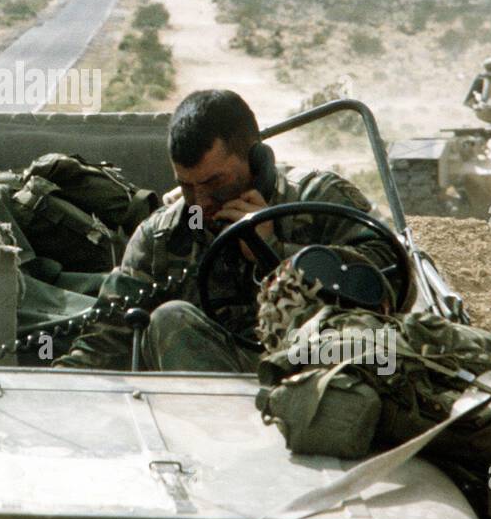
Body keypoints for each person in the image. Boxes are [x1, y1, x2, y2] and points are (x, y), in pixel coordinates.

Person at [54, 90, 397, 373]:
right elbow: (105, 340)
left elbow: (392, 280)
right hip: (218, 403)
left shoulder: (317, 200)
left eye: (214, 182)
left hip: (320, 377)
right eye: (187, 187)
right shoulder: (164, 235)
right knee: (170, 319)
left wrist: (276, 251)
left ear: (256, 160)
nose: (200, 202)